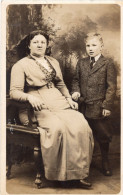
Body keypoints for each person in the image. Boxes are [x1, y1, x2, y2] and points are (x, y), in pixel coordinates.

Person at [10, 30, 94, 188]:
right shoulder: (20, 65)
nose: (39, 45)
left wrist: (69, 99)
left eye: (42, 42)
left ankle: (79, 173)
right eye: (35, 42)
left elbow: (61, 84)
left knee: (81, 125)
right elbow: (14, 92)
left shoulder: (53, 62)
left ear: (47, 45)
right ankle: (59, 174)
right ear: (29, 45)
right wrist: (30, 97)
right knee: (58, 128)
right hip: (35, 106)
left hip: (58, 100)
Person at [71, 32, 117, 176]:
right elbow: (75, 80)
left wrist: (107, 106)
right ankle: (85, 162)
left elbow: (111, 87)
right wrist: (76, 92)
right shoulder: (81, 62)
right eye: (88, 45)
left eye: (94, 45)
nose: (90, 48)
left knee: (102, 135)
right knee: (83, 135)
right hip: (83, 106)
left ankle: (105, 161)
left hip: (99, 106)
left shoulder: (107, 63)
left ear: (101, 47)